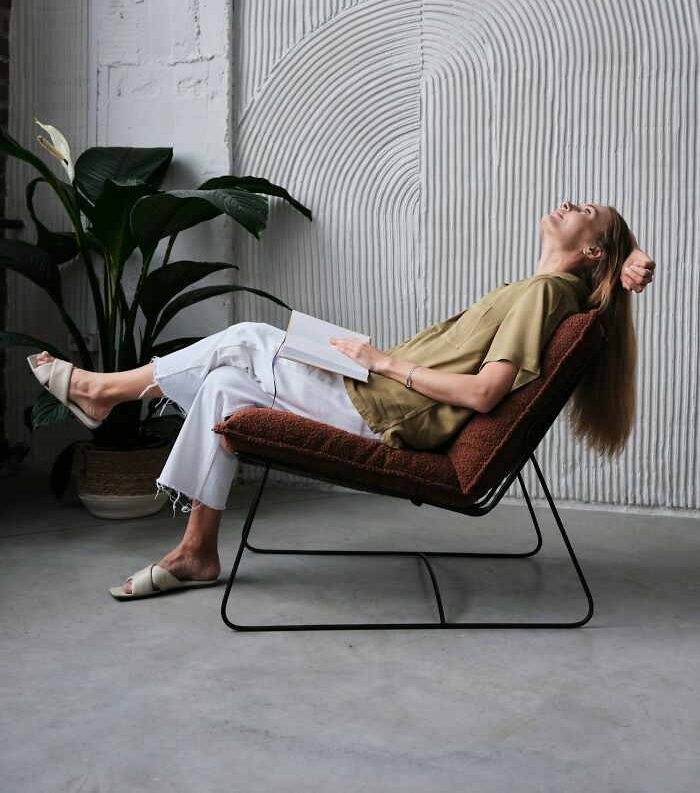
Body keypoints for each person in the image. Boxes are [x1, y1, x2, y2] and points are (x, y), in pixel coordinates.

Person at [30, 200, 655, 598]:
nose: (570, 202)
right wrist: (628, 256)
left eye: (588, 211)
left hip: (385, 410)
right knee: (222, 387)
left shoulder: (548, 295)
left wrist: (383, 362)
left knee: (247, 337)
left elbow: (485, 392)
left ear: (591, 249)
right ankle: (197, 553)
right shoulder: (542, 288)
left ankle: (102, 392)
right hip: (376, 390)